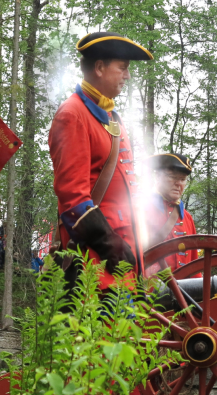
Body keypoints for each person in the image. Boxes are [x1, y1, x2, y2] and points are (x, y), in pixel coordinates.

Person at [47, 31, 153, 291]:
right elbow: (73, 198)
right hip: (97, 259)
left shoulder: (111, 116)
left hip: (123, 253)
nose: (127, 75)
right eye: (123, 68)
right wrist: (109, 244)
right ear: (99, 68)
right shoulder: (72, 114)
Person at [143, 152, 199, 277]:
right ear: (157, 177)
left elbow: (194, 263)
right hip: (150, 293)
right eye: (173, 177)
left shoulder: (187, 218)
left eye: (183, 179)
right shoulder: (141, 210)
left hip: (184, 294)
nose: (179, 183)